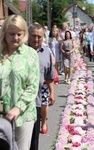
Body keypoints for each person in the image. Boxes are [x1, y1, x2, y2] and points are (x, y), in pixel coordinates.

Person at [0, 15, 39, 150]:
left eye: (19, 34)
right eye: (11, 34)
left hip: (24, 115)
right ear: (4, 33)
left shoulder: (30, 55)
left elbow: (32, 86)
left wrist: (18, 108)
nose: (15, 38)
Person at [28, 23, 55, 150]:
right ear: (28, 35)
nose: (36, 39)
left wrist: (52, 93)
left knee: (34, 137)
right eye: (33, 36)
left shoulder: (46, 53)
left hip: (37, 99)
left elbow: (49, 76)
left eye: (39, 37)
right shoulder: (21, 51)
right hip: (19, 100)